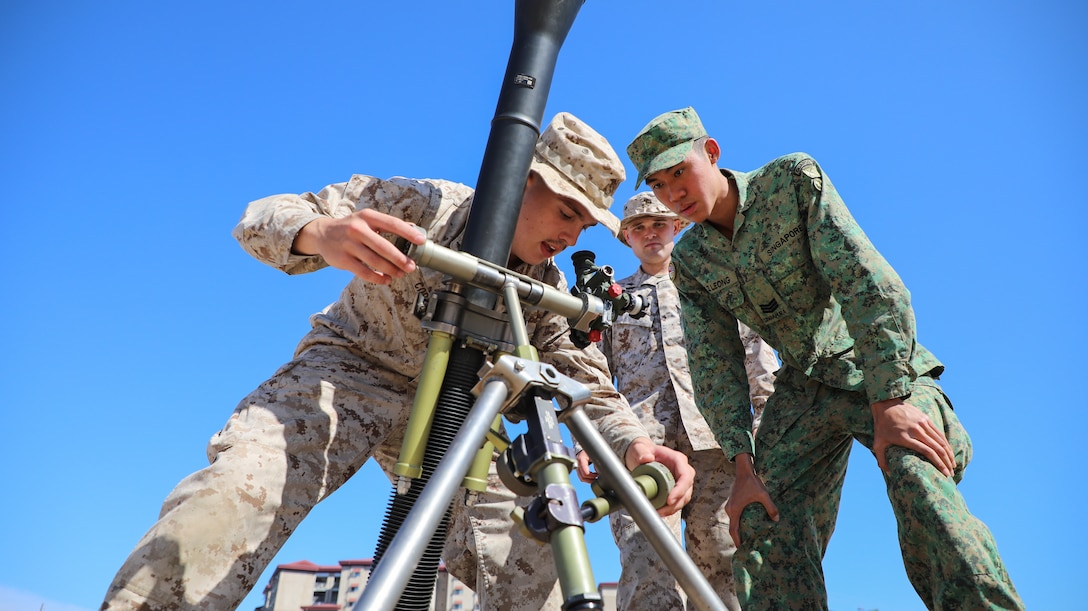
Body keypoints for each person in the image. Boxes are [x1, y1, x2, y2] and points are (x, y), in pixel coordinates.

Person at [100, 112, 697, 611]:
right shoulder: (424, 206)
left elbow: (581, 379)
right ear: (521, 180)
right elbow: (263, 215)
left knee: (534, 550)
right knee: (240, 491)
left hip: (459, 416)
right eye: (568, 211)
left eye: (587, 222)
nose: (573, 234)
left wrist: (634, 446)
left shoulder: (546, 289)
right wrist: (320, 232)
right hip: (347, 374)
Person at [625, 106, 1024, 611]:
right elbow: (714, 366)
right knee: (761, 518)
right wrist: (743, 466)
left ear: (711, 152)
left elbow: (870, 285)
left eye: (679, 172)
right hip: (801, 390)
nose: (672, 194)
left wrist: (890, 401)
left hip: (875, 366)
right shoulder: (692, 260)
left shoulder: (790, 182)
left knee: (917, 477)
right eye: (658, 185)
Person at [575, 192, 778, 611]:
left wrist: (764, 432)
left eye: (658, 225)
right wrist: (585, 439)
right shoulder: (610, 299)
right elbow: (590, 370)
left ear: (678, 227)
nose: (650, 234)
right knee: (646, 564)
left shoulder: (712, 284)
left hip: (719, 448)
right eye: (638, 228)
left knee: (723, 569)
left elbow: (756, 356)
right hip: (641, 450)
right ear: (626, 238)